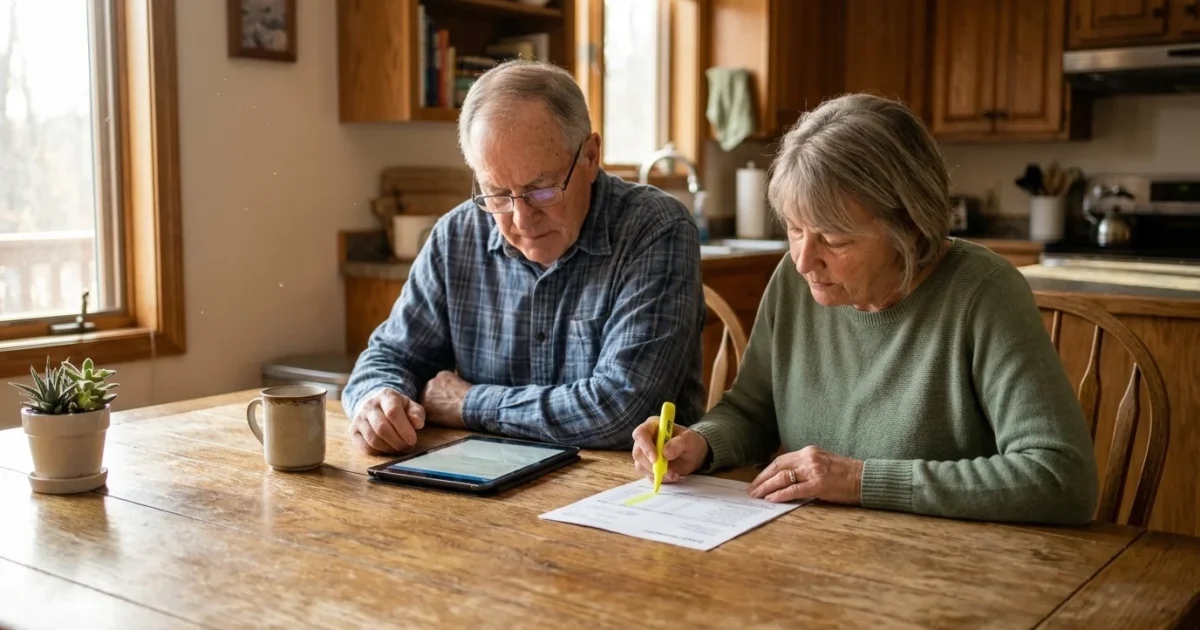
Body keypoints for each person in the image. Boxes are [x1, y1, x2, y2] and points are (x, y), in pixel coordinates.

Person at [630, 93, 1100, 525]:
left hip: (945, 566)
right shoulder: (796, 281)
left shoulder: (985, 294)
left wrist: (860, 481)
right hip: (818, 551)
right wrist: (702, 442)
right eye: (794, 229)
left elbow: (1061, 478)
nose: (803, 259)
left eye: (833, 239)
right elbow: (753, 412)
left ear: (909, 228)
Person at [342, 60, 707, 454]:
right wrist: (377, 400)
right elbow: (391, 355)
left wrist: (468, 403)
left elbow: (622, 409)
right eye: (496, 193)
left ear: (590, 157)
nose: (521, 219)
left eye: (541, 190)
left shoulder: (655, 228)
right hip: (486, 482)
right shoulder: (457, 234)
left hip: (627, 491)